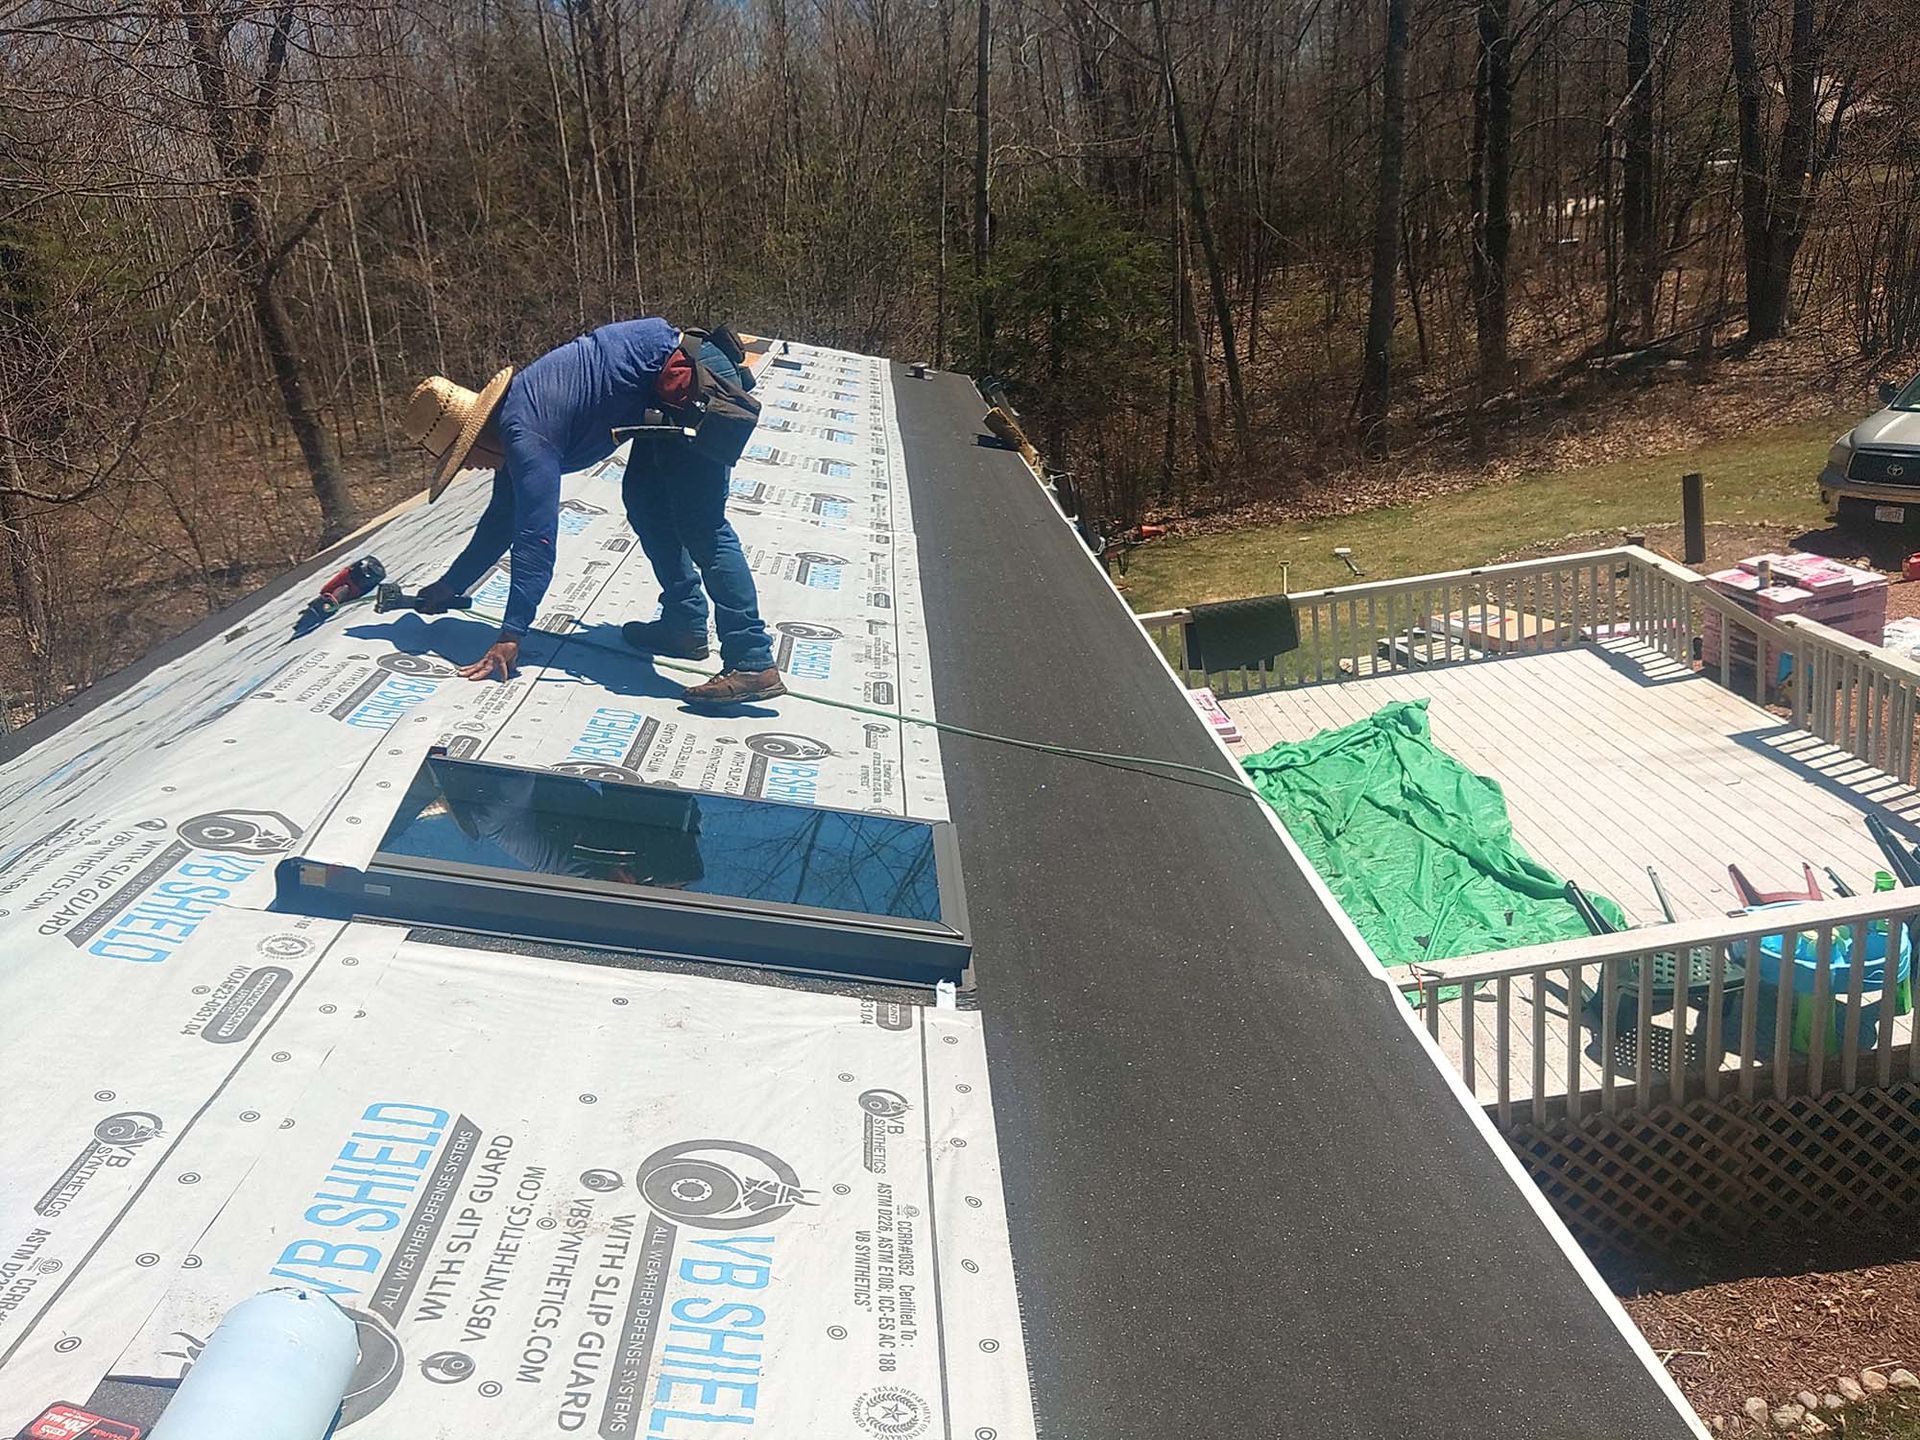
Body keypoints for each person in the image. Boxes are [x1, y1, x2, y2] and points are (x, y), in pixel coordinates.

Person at [398, 318, 783, 703]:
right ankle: (685, 624)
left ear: (478, 434)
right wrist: (453, 584)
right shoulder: (515, 417)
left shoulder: (525, 433)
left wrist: (511, 635)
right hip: (661, 385)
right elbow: (501, 519)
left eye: (463, 457)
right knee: (647, 503)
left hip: (691, 378)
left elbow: (536, 538)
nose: (470, 467)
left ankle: (752, 660)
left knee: (701, 523)